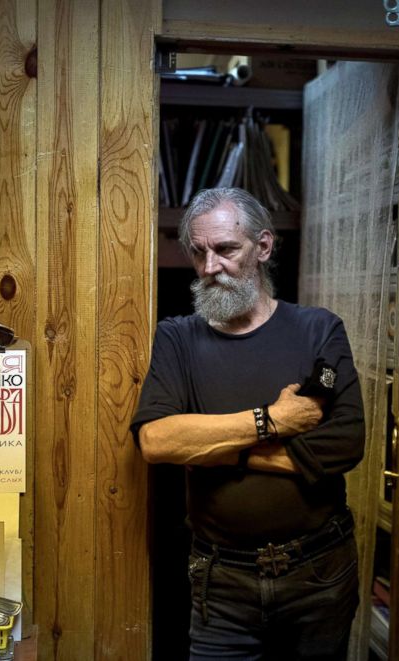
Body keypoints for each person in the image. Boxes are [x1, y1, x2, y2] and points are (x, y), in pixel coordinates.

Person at [131, 188, 366, 659]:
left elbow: (345, 443)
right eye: (199, 252)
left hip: (318, 571)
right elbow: (157, 441)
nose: (210, 267)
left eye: (225, 249)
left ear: (262, 247)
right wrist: (271, 420)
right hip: (221, 581)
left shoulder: (318, 330)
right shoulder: (177, 337)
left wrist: (217, 450)